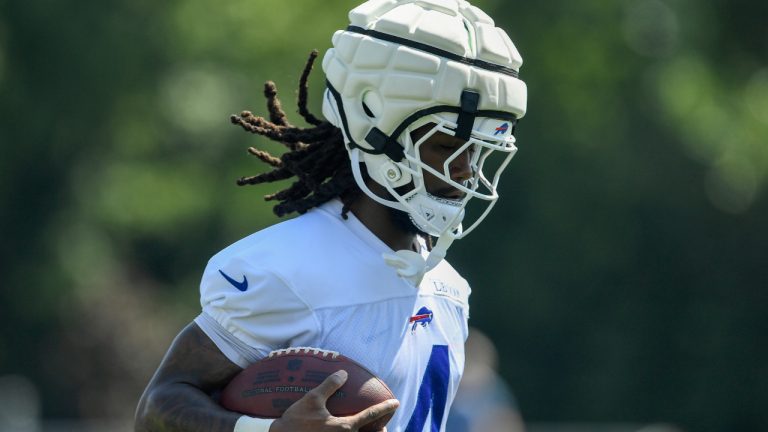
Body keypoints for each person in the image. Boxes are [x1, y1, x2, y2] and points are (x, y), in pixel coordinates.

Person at [134, 0, 527, 431]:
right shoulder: (283, 270)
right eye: (445, 145)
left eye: (476, 149)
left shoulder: (448, 287)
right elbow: (158, 407)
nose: (466, 169)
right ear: (372, 126)